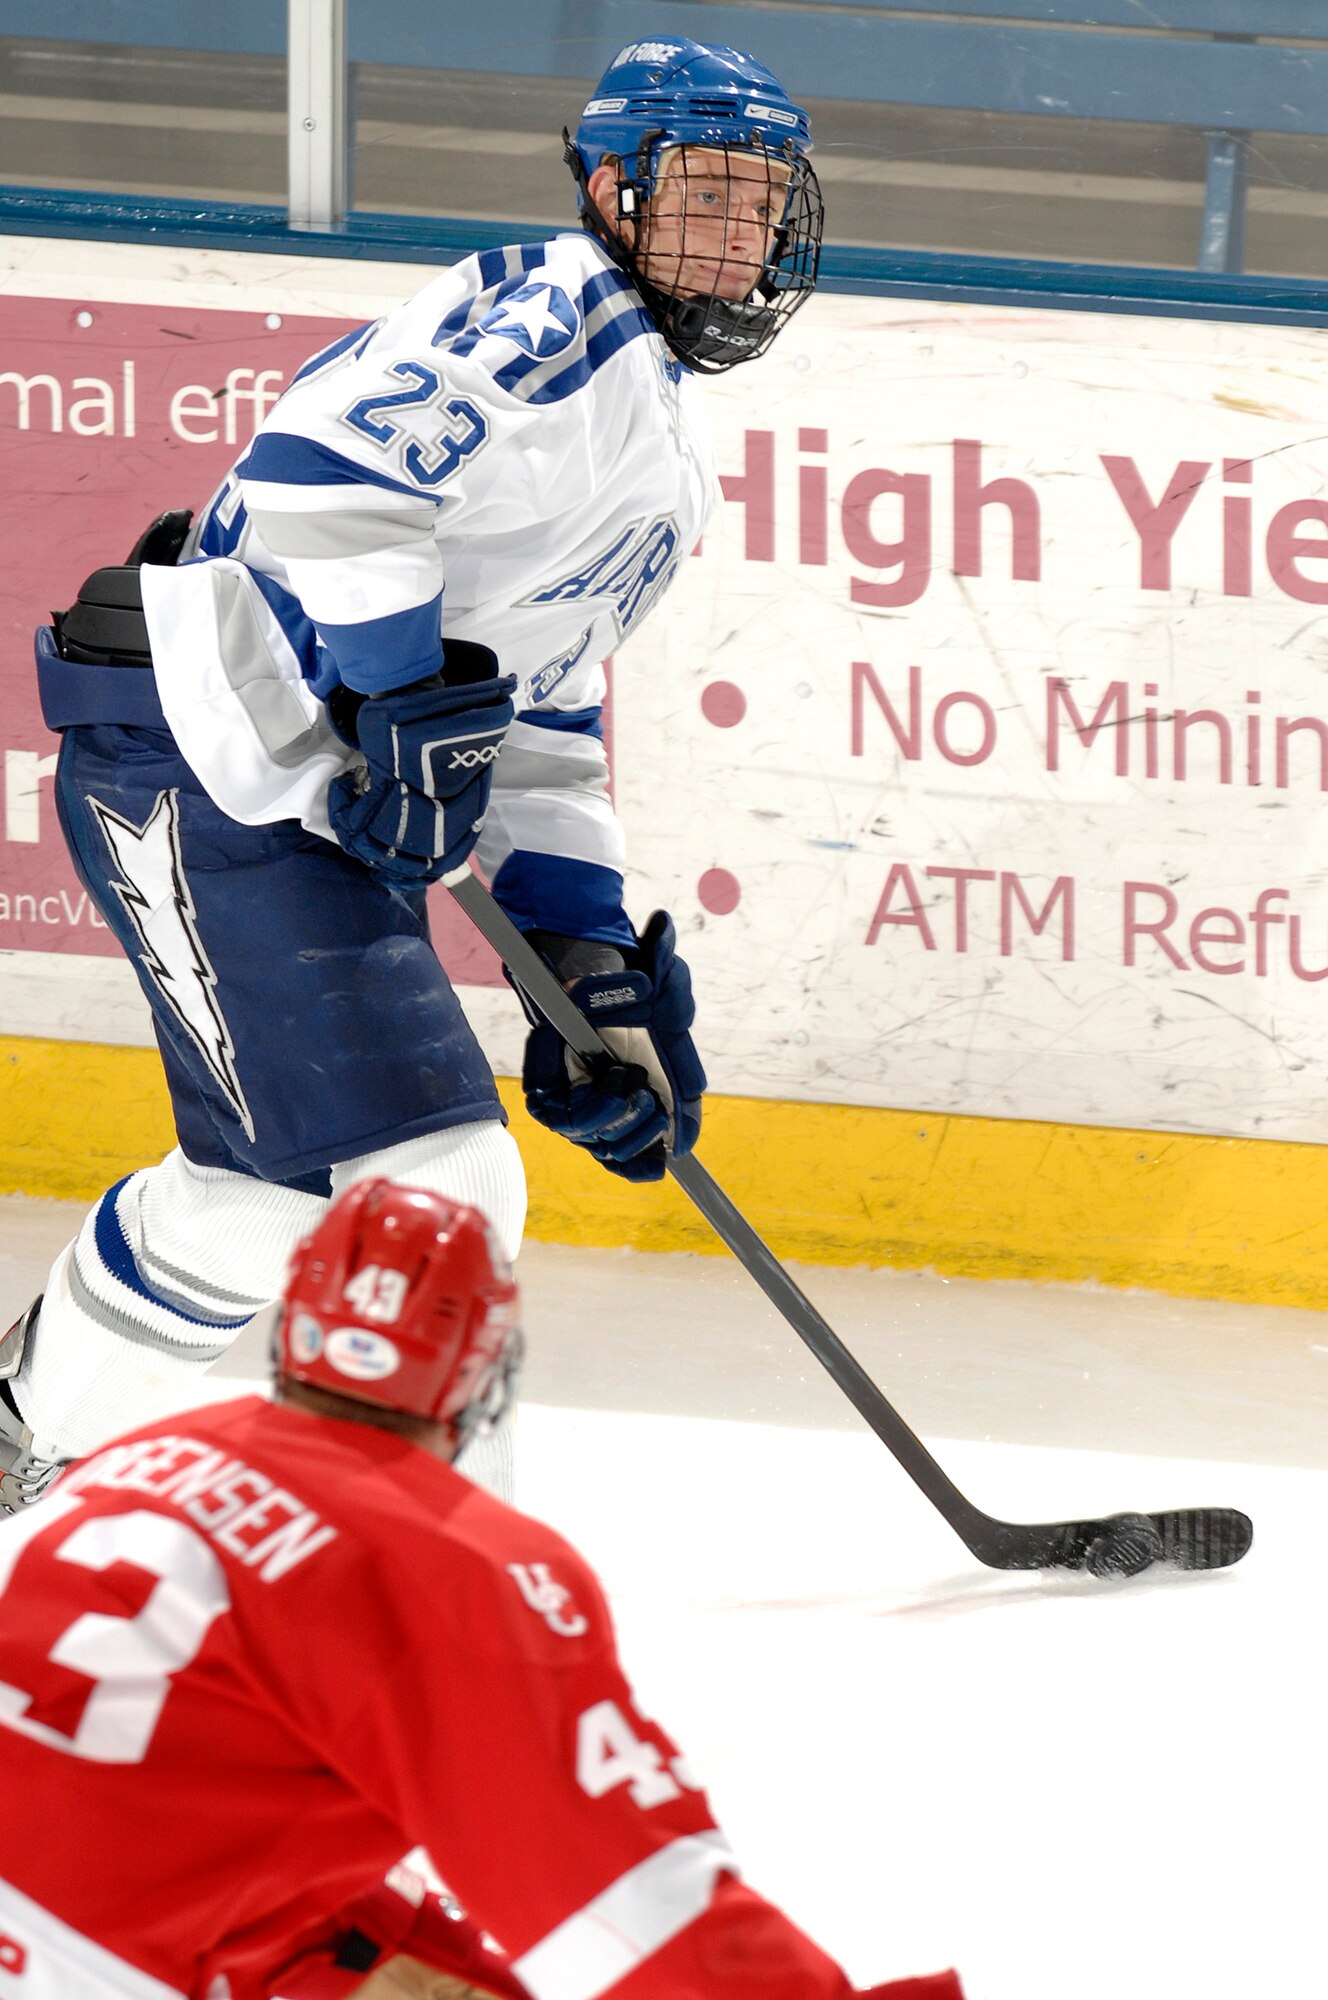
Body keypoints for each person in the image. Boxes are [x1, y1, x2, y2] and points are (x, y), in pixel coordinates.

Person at [1, 36, 825, 1515]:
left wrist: (585, 949)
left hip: (271, 781)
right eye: (704, 191)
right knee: (441, 1185)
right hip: (203, 757)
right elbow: (324, 485)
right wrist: (401, 689)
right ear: (612, 192)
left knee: (266, 1200)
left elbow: (547, 712)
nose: (737, 231)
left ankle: (24, 1421)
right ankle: (420, 1565)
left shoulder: (658, 434)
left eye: (760, 201)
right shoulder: (552, 312)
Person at [0, 1179, 963, 2000]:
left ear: (293, 1328)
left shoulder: (145, 1452)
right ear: (478, 1371)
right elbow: (627, 1900)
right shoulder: (462, 1563)